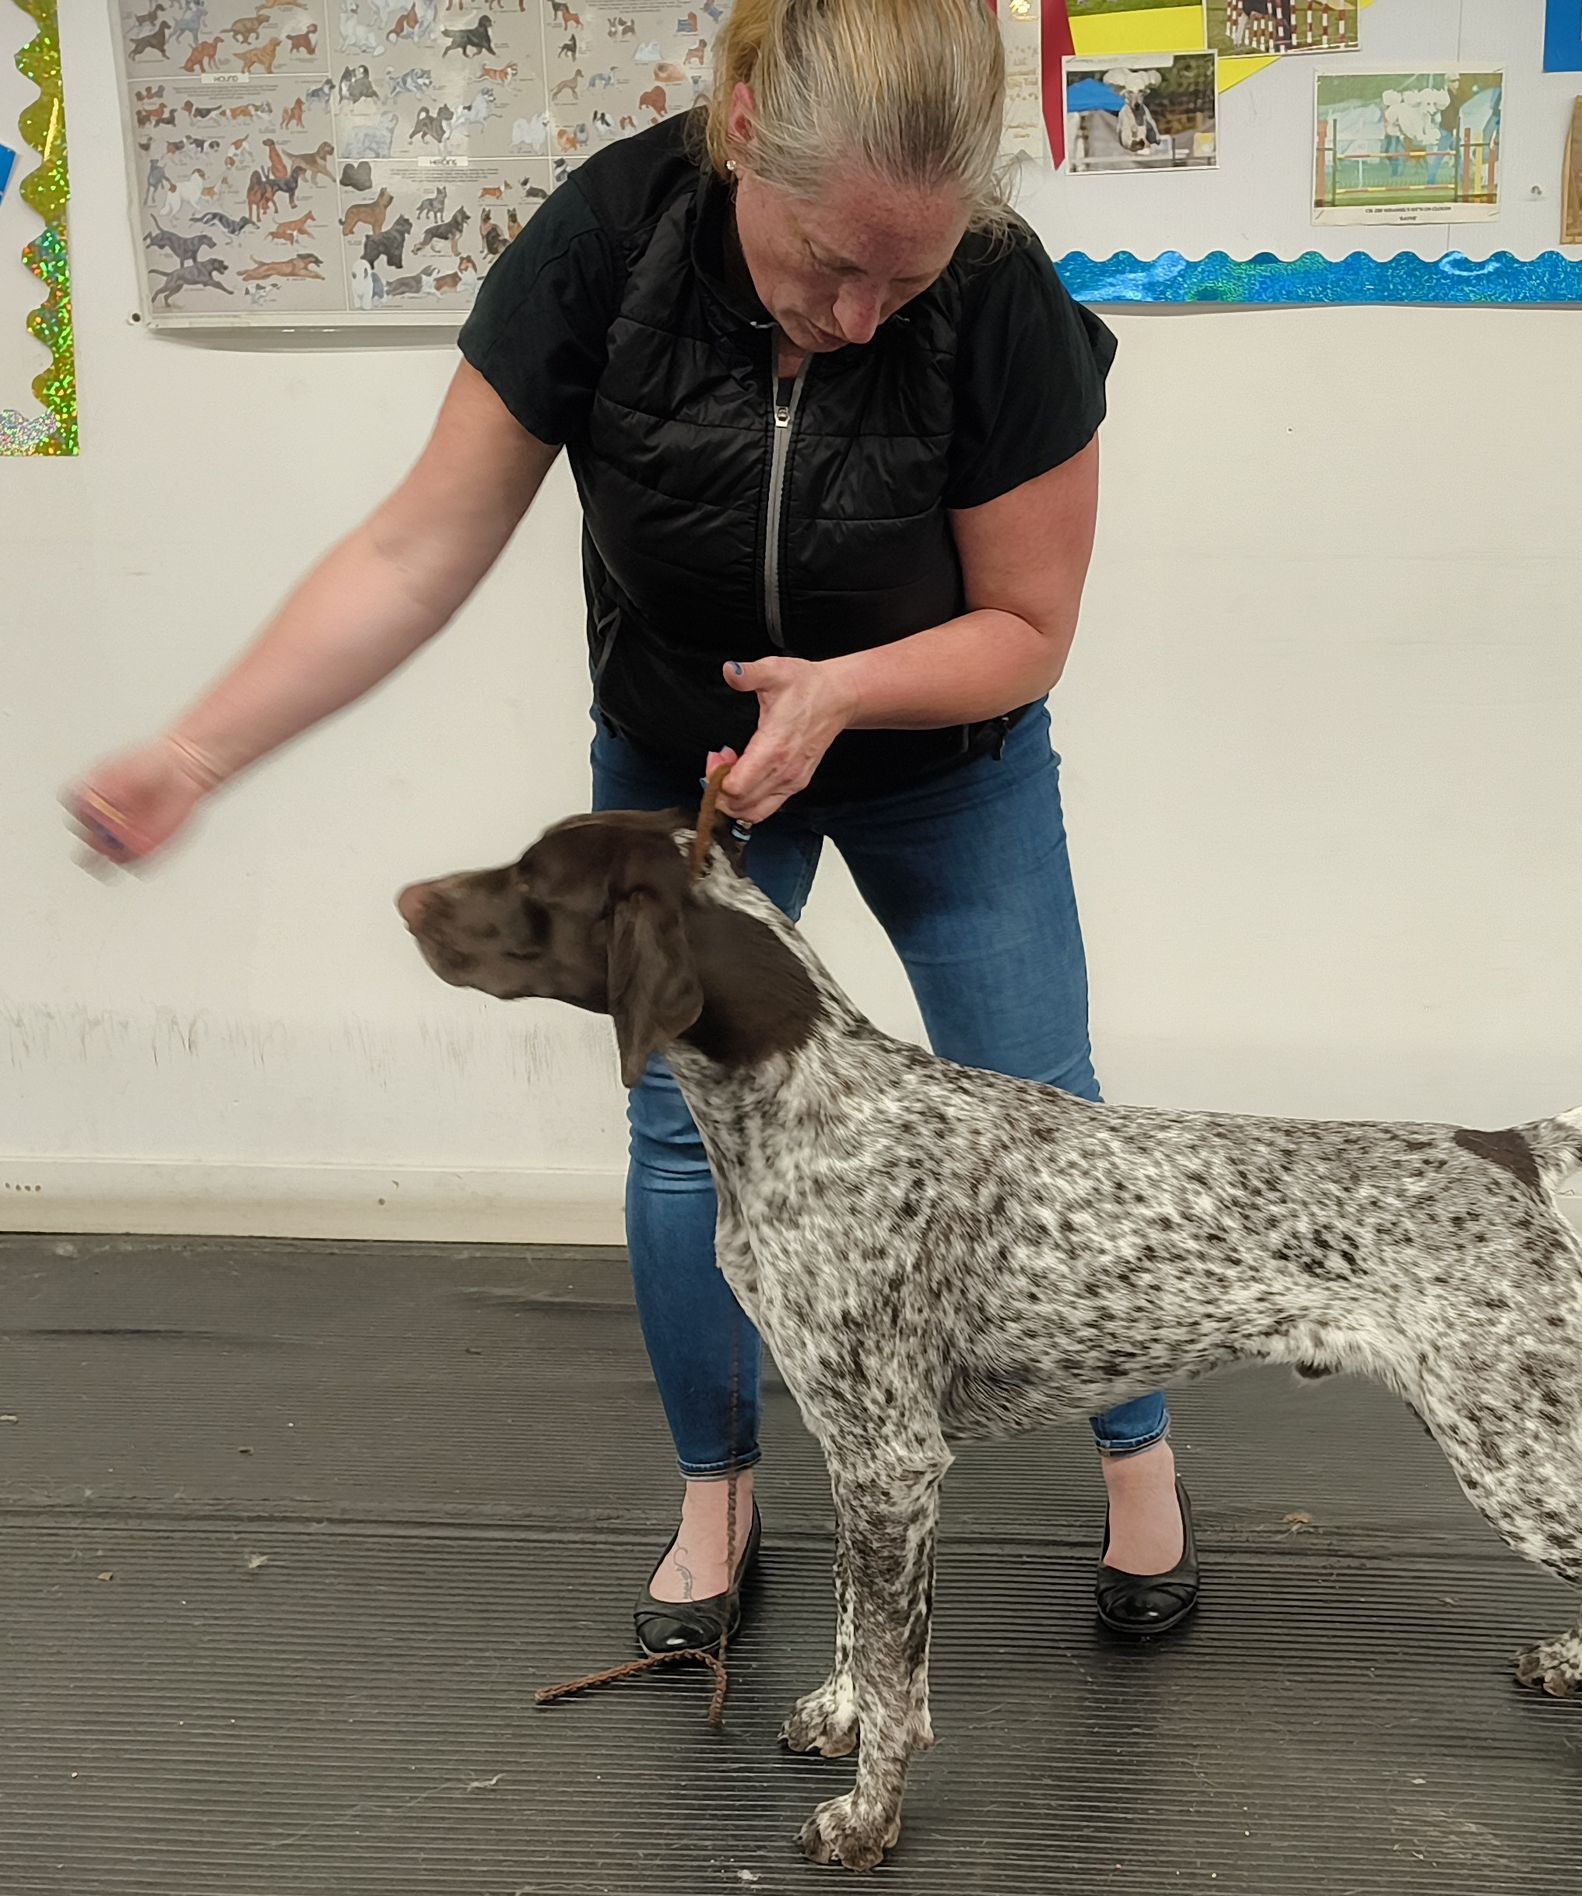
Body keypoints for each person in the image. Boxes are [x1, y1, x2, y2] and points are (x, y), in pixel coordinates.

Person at [68, 0, 1197, 1654]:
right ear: (746, 127)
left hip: (948, 757)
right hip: (689, 769)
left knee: (1051, 1115)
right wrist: (198, 750)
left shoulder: (999, 295)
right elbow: (412, 553)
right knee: (683, 1132)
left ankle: (1141, 1470)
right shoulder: (607, 244)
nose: (867, 313)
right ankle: (716, 1497)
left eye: (910, 274)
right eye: (833, 263)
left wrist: (840, 694)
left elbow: (1028, 623)